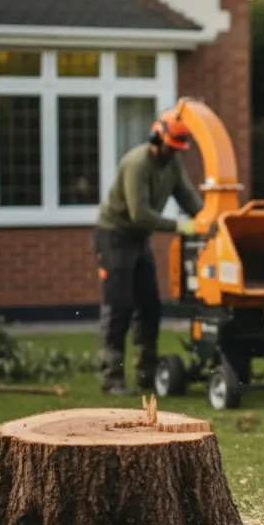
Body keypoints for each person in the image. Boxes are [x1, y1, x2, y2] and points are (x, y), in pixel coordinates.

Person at [93, 109, 204, 396]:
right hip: (115, 235)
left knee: (150, 304)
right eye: (169, 147)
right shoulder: (137, 163)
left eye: (177, 150)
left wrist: (208, 221)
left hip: (139, 238)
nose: (172, 153)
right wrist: (182, 226)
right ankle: (111, 376)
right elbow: (139, 213)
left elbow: (189, 199)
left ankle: (146, 372)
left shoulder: (173, 164)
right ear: (156, 138)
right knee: (120, 304)